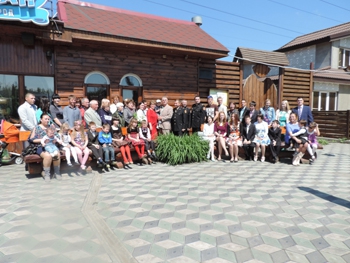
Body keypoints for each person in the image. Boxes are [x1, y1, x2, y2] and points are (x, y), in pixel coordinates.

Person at [29, 113, 61, 182]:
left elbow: (57, 136)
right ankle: (46, 174)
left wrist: (55, 140)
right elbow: (31, 139)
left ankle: (57, 172)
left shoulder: (51, 127)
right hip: (40, 146)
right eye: (45, 119)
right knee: (47, 156)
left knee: (57, 154)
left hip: (52, 145)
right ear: (41, 120)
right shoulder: (37, 128)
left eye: (48, 119)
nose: (47, 120)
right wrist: (42, 140)